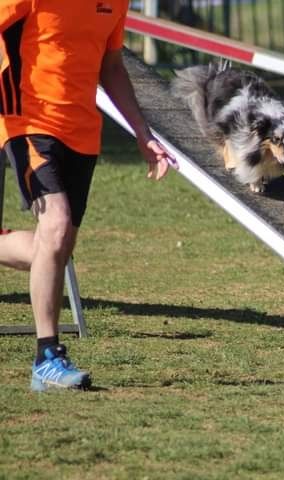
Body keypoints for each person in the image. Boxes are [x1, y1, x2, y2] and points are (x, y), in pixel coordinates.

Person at [0, 0, 174, 391]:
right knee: (56, 227)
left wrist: (143, 135)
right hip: (26, 119)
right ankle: (47, 357)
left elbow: (111, 67)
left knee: (54, 247)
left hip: (81, 131)